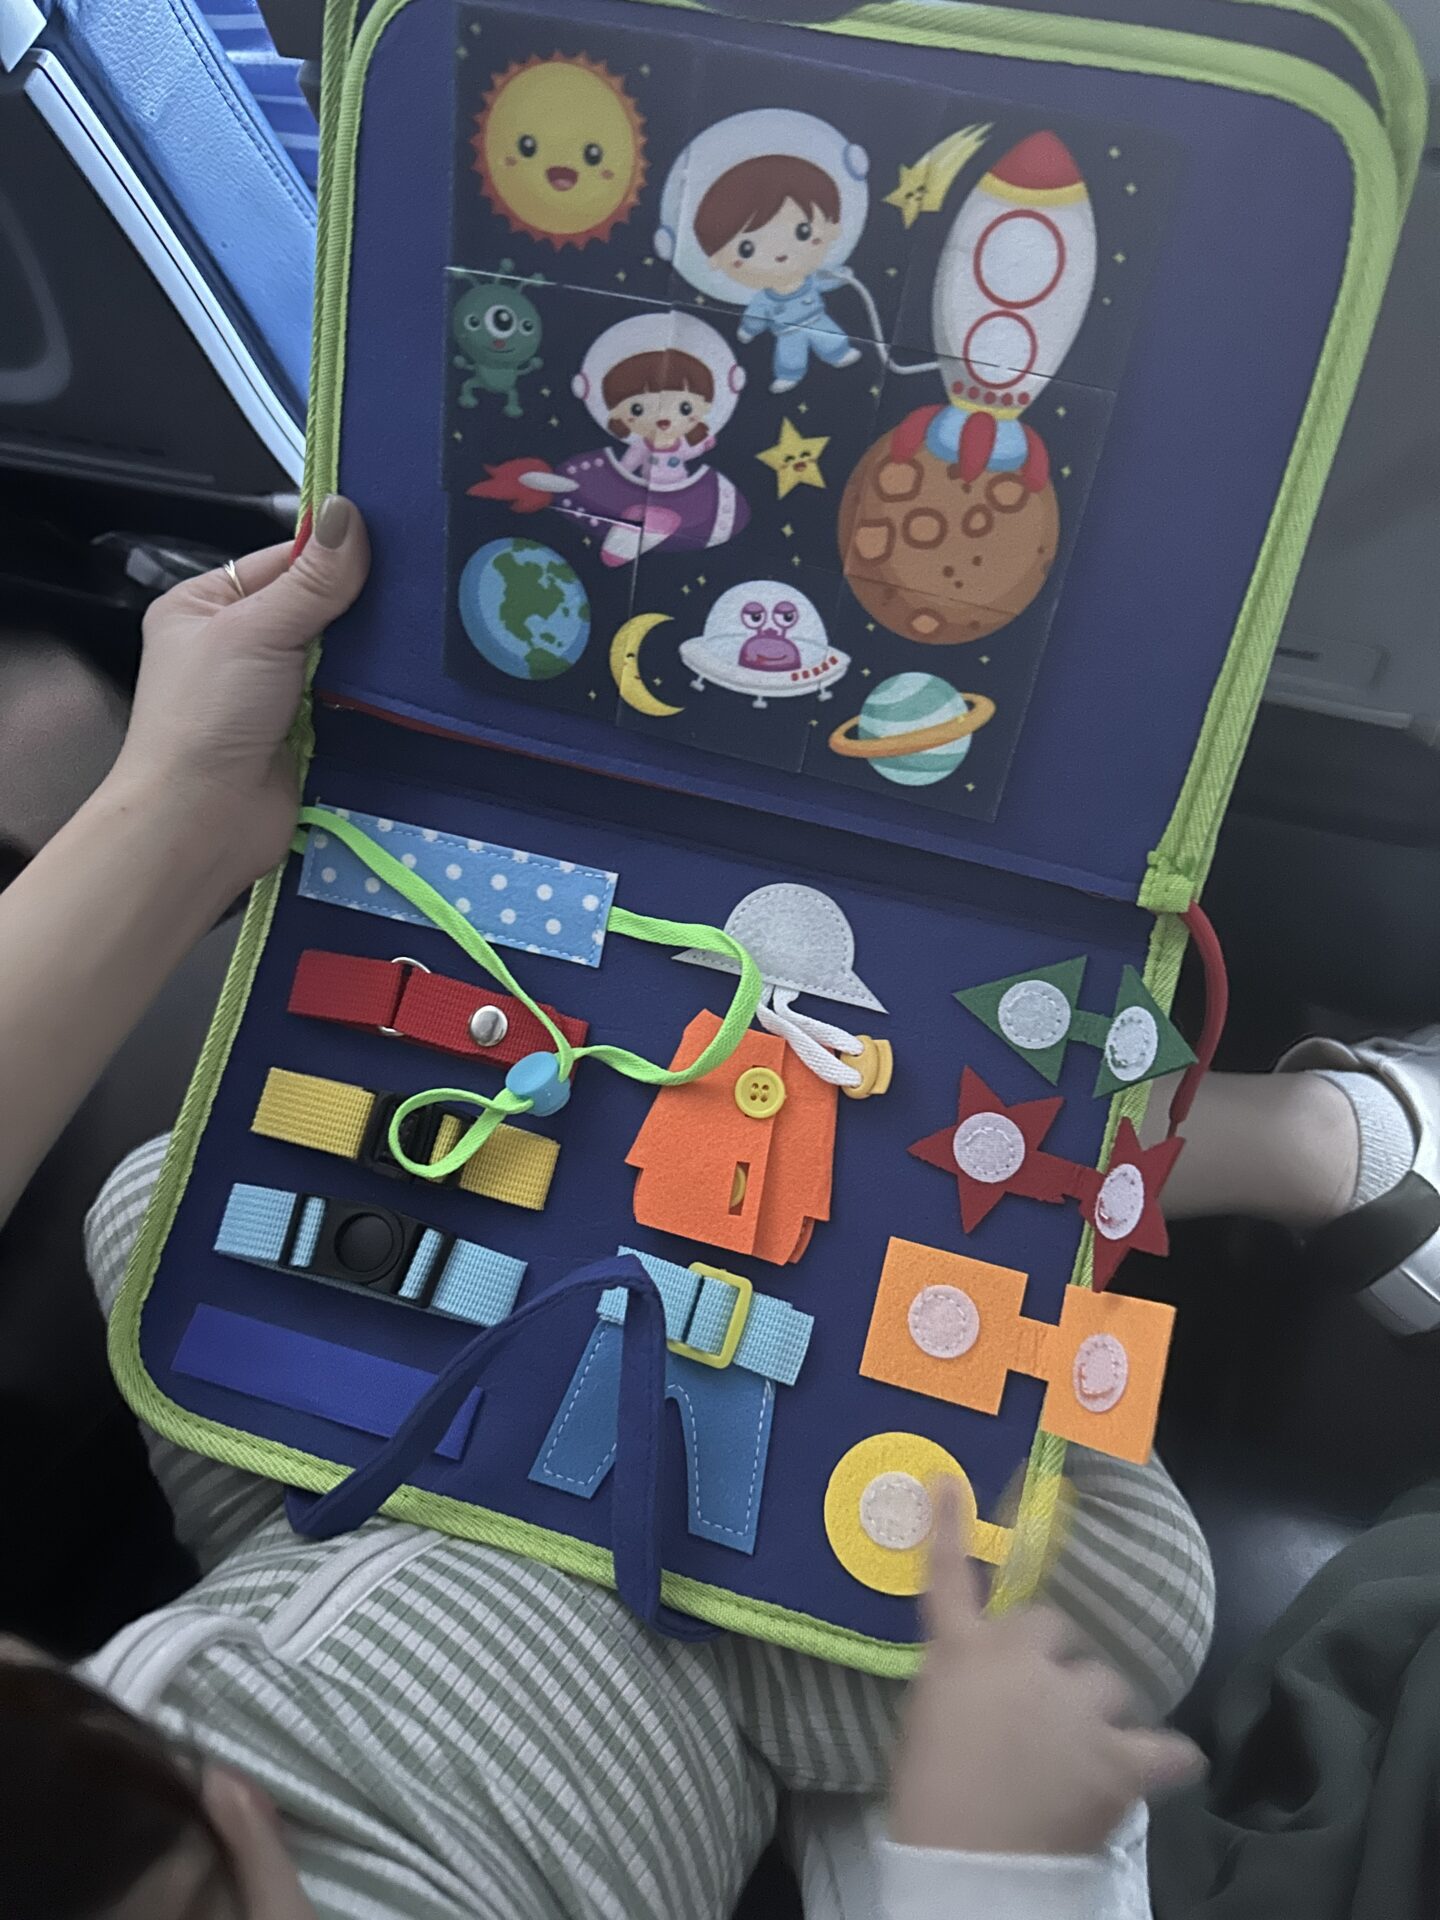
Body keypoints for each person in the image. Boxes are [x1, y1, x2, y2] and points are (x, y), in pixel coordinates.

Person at [1, 503, 1429, 1917]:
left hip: (322, 1519)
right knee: (1137, 1586)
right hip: (725, 1671)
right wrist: (979, 1865)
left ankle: (1296, 1147)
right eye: (213, 1901)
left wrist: (177, 802)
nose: (240, 1800)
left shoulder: (137, 1775)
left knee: (157, 1207)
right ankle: (1317, 1148)